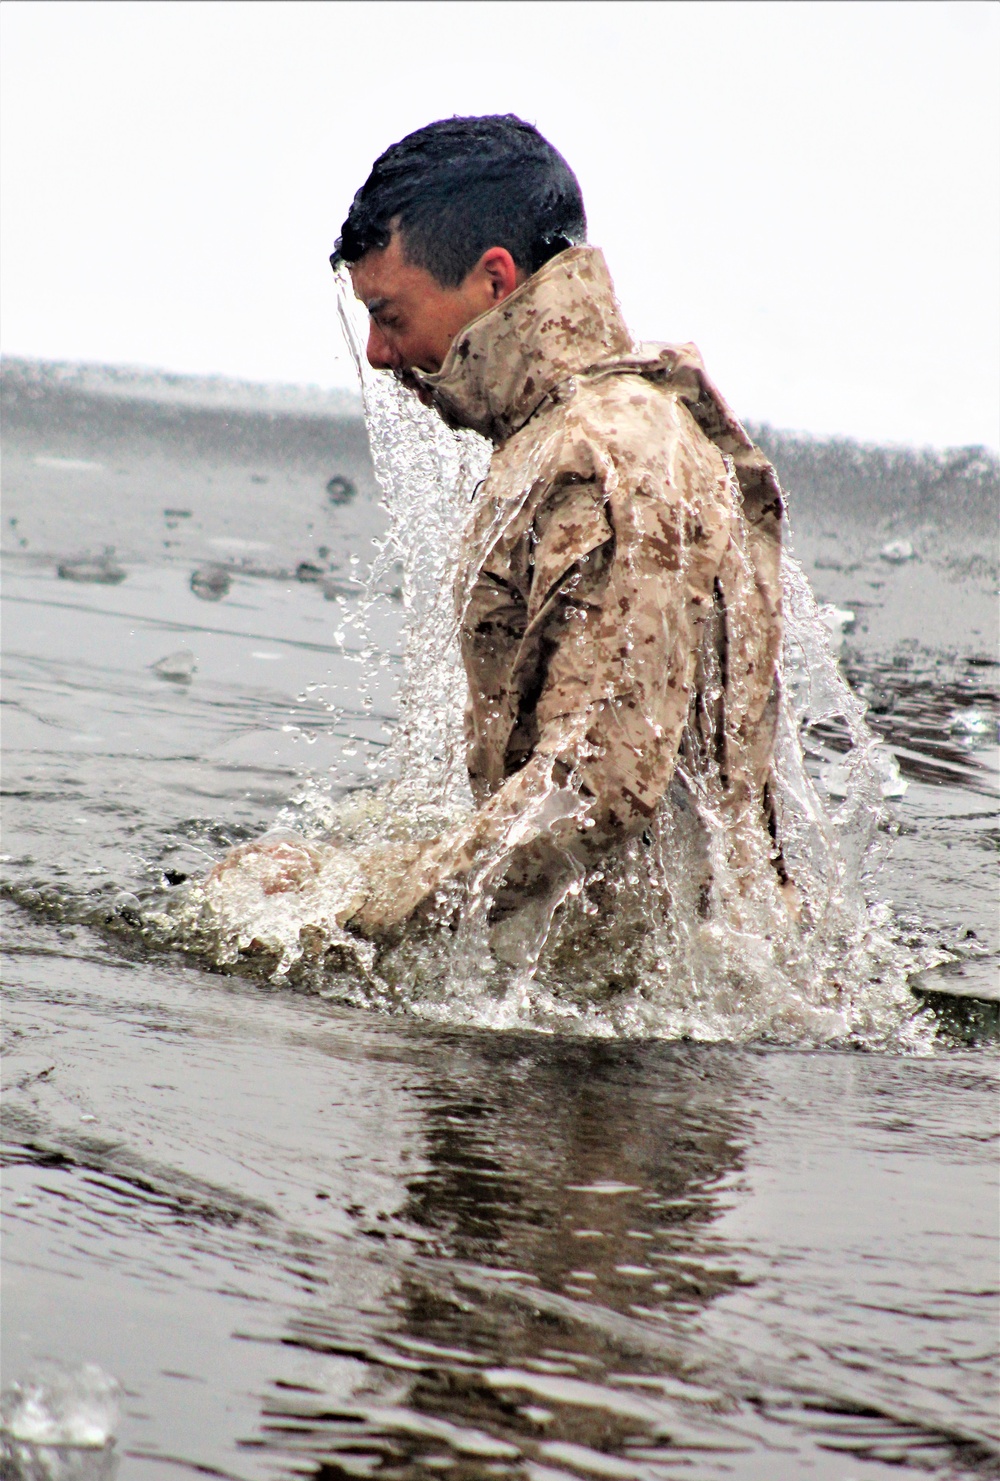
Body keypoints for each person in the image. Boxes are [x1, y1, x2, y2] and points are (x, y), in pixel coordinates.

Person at [212, 114, 789, 942]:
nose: (376, 352)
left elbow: (597, 784)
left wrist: (353, 918)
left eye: (389, 313)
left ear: (493, 280)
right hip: (620, 968)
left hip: (624, 1033)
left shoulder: (610, 455)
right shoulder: (580, 431)